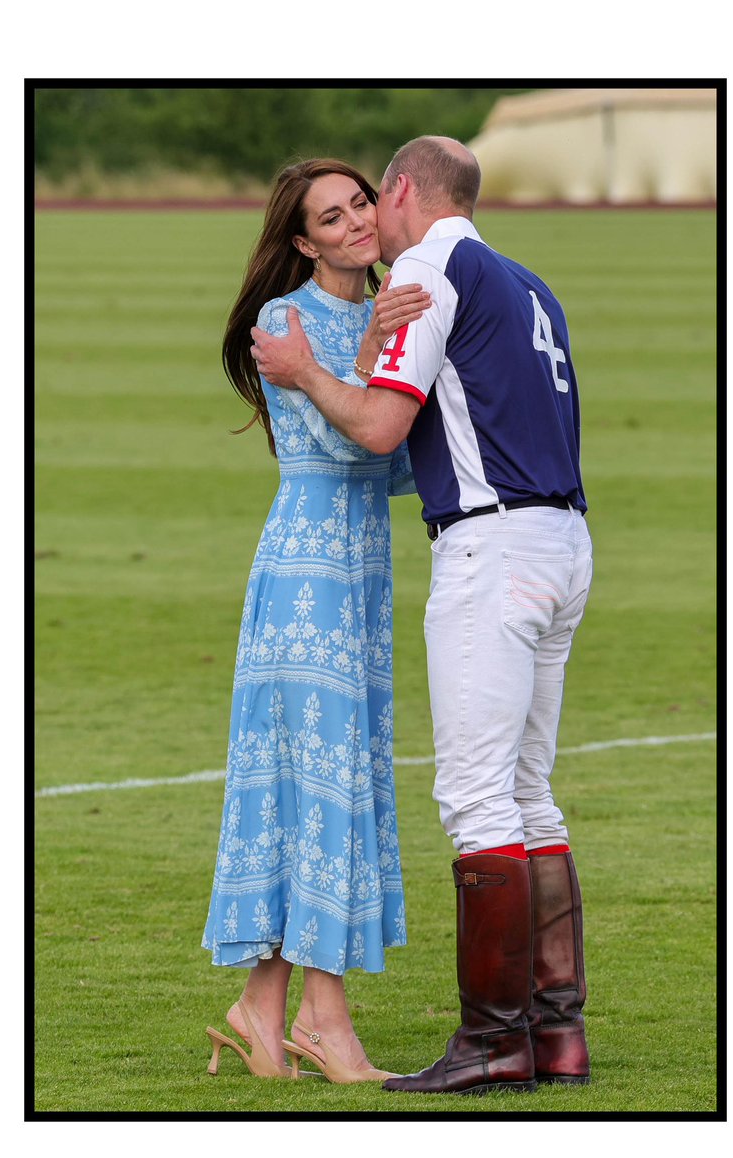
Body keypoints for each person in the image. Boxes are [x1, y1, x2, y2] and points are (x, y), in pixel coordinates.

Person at [249, 136, 594, 1095]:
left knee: (480, 801)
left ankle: (493, 1043)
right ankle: (554, 1037)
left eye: (370, 201)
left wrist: (314, 373)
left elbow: (378, 428)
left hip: (493, 551)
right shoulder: (525, 281)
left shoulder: (430, 272)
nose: (368, 222)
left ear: (400, 191)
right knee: (530, 795)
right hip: (563, 538)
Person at [201, 158, 430, 1084]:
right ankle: (323, 1023)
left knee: (328, 780)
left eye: (360, 203)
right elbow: (345, 436)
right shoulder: (283, 319)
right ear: (302, 241)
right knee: (323, 782)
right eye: (330, 219)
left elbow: (400, 458)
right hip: (306, 571)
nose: (354, 224)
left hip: (362, 564)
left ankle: (260, 1009)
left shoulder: (389, 307)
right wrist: (369, 353)